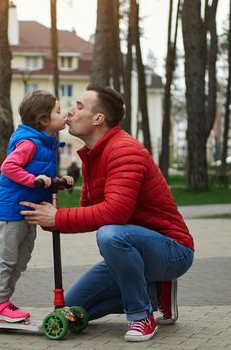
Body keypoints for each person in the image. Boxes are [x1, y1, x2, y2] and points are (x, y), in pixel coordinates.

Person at [20, 84, 194, 342]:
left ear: (98, 118)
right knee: (72, 308)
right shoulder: (93, 155)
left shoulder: (124, 150)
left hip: (172, 250)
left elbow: (115, 213)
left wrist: (58, 218)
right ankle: (155, 292)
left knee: (110, 234)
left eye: (79, 106)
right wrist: (52, 216)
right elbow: (89, 212)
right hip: (131, 250)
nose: (69, 111)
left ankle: (141, 316)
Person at [0, 90, 74, 323]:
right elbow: (9, 167)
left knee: (21, 259)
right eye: (57, 111)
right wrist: (33, 180)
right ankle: (0, 302)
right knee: (7, 257)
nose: (62, 115)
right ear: (44, 120)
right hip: (13, 210)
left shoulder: (47, 144)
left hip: (29, 210)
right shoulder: (29, 143)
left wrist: (59, 182)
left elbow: (42, 175)